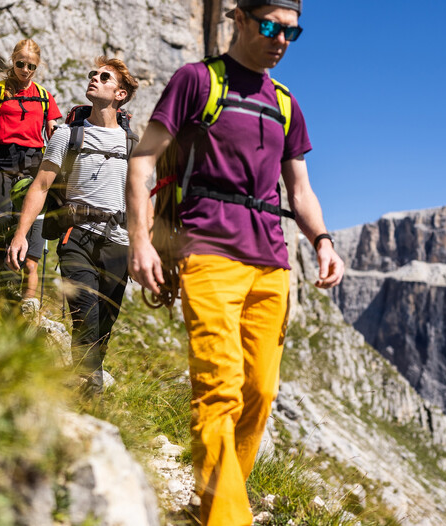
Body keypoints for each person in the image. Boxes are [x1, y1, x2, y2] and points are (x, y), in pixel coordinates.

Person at [125, 1, 345, 523]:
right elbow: (143, 158)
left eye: (291, 32)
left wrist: (322, 240)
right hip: (208, 253)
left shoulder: (286, 103)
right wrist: (140, 239)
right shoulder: (197, 81)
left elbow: (300, 189)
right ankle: (227, 516)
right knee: (219, 387)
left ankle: (214, 501)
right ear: (240, 18)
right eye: (270, 26)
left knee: (260, 393)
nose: (281, 40)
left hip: (272, 263)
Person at [7, 57, 139, 392]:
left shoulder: (132, 145)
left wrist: (144, 248)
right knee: (85, 315)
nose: (94, 78)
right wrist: (21, 234)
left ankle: (87, 391)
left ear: (120, 94)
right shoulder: (66, 135)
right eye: (93, 74)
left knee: (103, 329)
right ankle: (85, 392)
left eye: (104, 77)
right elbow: (41, 186)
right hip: (75, 235)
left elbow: (140, 201)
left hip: (119, 243)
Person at [0, 39, 62, 299]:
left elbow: (53, 131)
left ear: (37, 67)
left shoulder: (44, 96)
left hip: (32, 163)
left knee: (20, 222)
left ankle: (10, 287)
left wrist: (58, 132)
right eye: (21, 64)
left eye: (31, 66)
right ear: (13, 61)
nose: (25, 70)